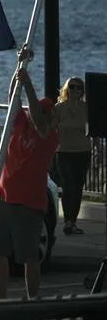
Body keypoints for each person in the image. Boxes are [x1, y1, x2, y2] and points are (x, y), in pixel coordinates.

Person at [0, 48, 58, 301]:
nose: (35, 113)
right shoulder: (19, 124)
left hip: (30, 203)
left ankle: (33, 299)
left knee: (29, 256)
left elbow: (40, 122)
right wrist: (20, 66)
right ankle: (1, 300)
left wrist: (28, 84)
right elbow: (12, 98)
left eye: (43, 111)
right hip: (5, 198)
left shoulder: (49, 136)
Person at [54, 76, 91, 235]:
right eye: (72, 87)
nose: (75, 90)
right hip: (64, 151)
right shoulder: (59, 107)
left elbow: (91, 127)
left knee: (77, 188)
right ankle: (68, 221)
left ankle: (73, 222)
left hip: (83, 151)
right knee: (68, 186)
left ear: (82, 91)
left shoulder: (86, 107)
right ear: (67, 89)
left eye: (79, 87)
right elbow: (53, 127)